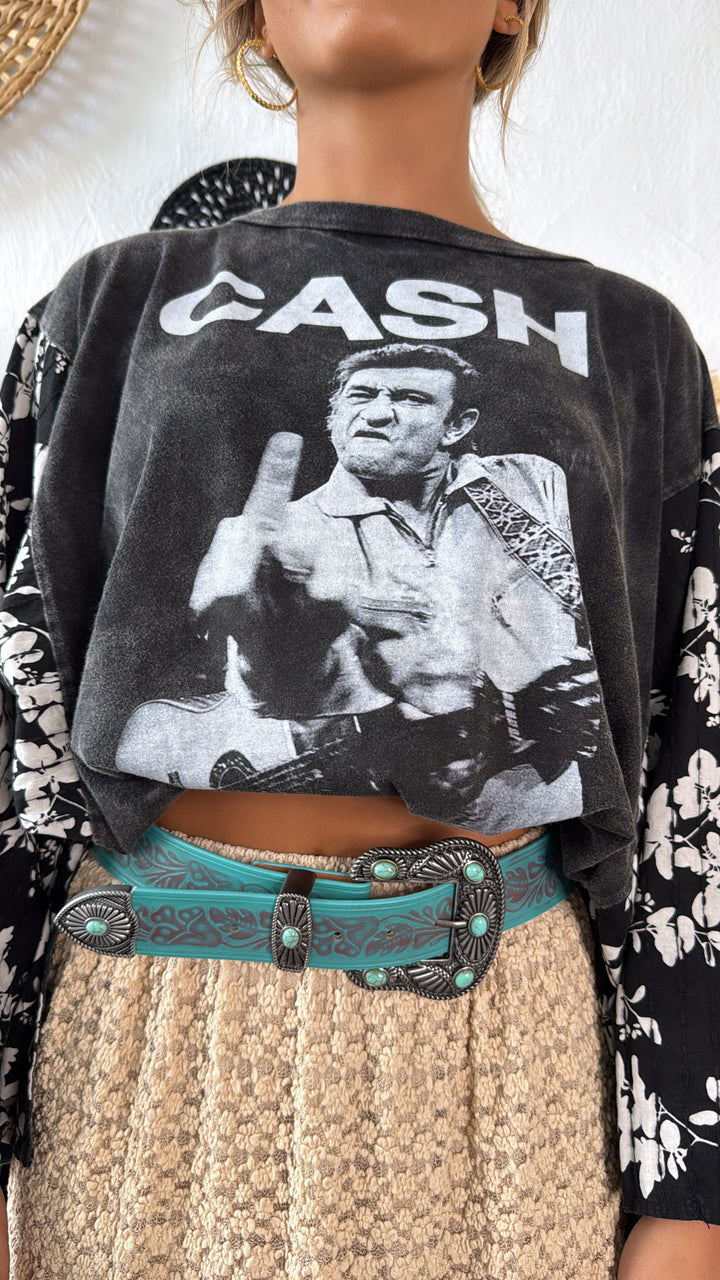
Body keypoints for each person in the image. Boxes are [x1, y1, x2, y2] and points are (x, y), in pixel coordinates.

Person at [1, 2, 719, 1277]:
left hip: (505, 1033)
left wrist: (694, 1188)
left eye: (413, 395)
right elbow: (17, 721)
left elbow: (693, 771)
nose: (385, 409)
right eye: (365, 394)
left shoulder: (632, 341)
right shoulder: (117, 298)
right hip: (149, 1020)